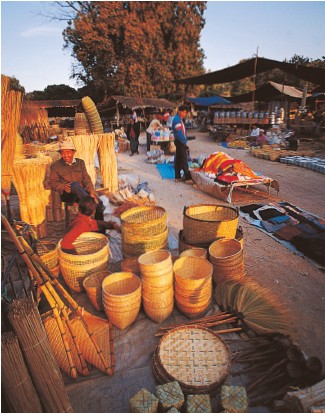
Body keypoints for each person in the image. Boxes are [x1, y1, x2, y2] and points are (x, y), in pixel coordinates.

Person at [50, 139, 104, 220]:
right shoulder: (56, 166)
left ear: (73, 152)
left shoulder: (80, 163)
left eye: (68, 152)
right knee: (74, 185)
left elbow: (86, 179)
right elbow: (52, 183)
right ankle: (90, 202)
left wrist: (91, 191)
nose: (66, 155)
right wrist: (63, 186)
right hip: (68, 194)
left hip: (81, 192)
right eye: (63, 152)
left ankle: (99, 229)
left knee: (99, 202)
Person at [172, 105, 193, 184]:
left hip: (179, 141)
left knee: (178, 159)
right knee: (184, 159)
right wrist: (184, 141)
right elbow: (179, 133)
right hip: (180, 142)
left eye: (185, 113)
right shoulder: (177, 120)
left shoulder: (179, 119)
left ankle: (177, 177)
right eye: (183, 112)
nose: (184, 114)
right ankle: (188, 178)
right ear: (179, 111)